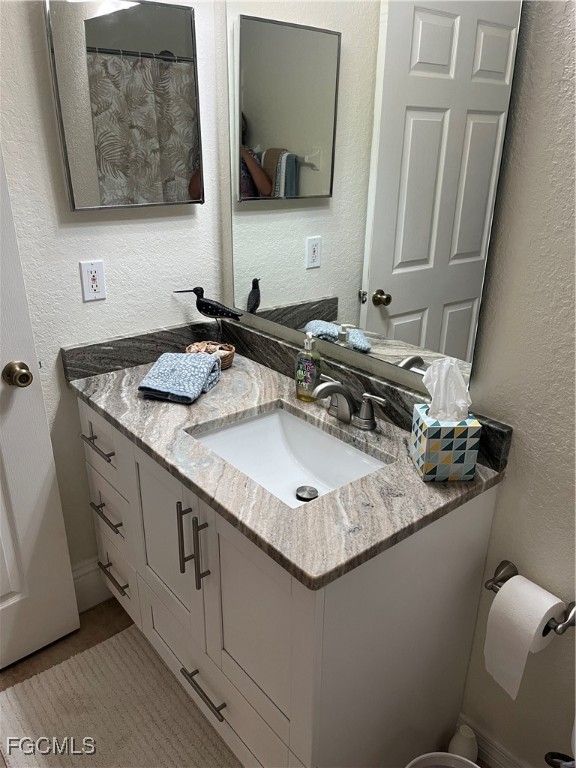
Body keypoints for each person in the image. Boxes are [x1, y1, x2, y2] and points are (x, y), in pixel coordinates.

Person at [240, 114, 272, 198]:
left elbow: (266, 190)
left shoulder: (248, 153)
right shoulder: (207, 156)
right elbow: (200, 194)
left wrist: (244, 153)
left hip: (245, 208)